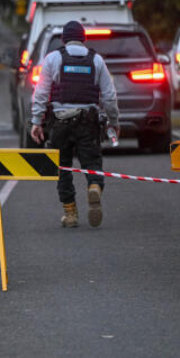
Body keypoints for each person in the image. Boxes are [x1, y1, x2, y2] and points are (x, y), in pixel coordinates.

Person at [30, 20, 119, 228]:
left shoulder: (52, 59)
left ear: (63, 39)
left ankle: (70, 214)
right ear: (84, 38)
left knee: (62, 168)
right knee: (92, 163)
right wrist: (113, 121)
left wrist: (36, 121)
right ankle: (94, 186)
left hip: (59, 122)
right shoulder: (97, 60)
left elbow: (41, 93)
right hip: (88, 121)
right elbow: (109, 96)